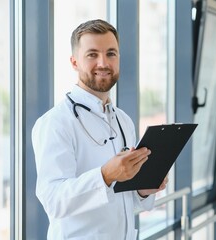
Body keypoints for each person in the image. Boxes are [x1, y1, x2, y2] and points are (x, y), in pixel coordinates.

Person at [32, 19, 168, 240]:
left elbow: (121, 199)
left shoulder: (123, 121)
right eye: (92, 54)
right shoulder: (55, 122)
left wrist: (144, 189)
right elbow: (54, 201)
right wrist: (105, 175)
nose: (103, 63)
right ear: (74, 62)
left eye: (111, 53)